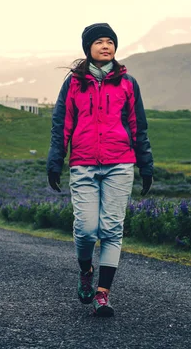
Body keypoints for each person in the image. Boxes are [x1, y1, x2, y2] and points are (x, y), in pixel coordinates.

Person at [46, 23, 154, 317]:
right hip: (83, 165)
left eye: (110, 42)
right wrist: (55, 161)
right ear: (88, 49)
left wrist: (146, 165)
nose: (106, 46)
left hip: (120, 164)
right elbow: (62, 125)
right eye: (99, 42)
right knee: (85, 229)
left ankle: (103, 294)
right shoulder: (73, 84)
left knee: (111, 229)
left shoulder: (128, 83)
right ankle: (86, 270)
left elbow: (138, 127)